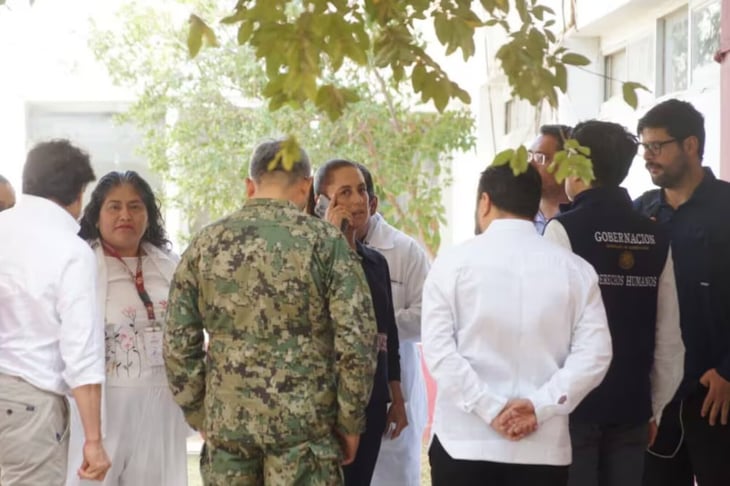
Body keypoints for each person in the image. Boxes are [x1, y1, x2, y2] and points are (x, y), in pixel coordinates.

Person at [164, 140, 379, 485]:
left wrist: (200, 411)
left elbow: (177, 340)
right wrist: (350, 420)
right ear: (307, 186)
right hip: (306, 431)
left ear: (250, 185)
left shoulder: (207, 243)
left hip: (229, 426)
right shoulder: (326, 242)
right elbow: (357, 339)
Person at [422, 164, 613, 486]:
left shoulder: (451, 264)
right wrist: (539, 406)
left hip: (464, 443)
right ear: (535, 204)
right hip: (542, 448)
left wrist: (491, 408)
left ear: (484, 202)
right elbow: (595, 355)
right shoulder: (575, 270)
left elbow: (439, 352)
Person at [542, 120, 685, 486]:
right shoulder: (656, 235)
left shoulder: (563, 230)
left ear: (578, 166)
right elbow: (670, 338)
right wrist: (653, 409)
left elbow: (548, 331)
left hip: (574, 409)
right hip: (633, 407)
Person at [64, 171, 190, 486]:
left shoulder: (170, 266)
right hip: (105, 408)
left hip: (163, 406)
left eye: (135, 206)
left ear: (148, 214)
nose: (125, 215)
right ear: (96, 215)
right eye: (114, 207)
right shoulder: (81, 265)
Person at [0, 139, 110, 485]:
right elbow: (81, 351)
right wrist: (93, 441)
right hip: (28, 402)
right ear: (79, 193)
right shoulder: (70, 250)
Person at [634, 99, 730, 486]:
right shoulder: (639, 215)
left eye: (657, 146)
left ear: (691, 145)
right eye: (644, 147)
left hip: (717, 394)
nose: (647, 157)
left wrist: (727, 371)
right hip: (659, 399)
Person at [312, 159, 406, 486]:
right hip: (325, 404)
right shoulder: (310, 261)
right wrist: (333, 241)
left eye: (362, 190)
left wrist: (396, 397)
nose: (357, 200)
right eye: (345, 192)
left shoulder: (376, 263)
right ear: (322, 203)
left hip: (372, 402)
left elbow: (388, 335)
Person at [355, 163, 430, 486]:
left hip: (393, 390)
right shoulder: (318, 250)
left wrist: (377, 327)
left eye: (357, 194)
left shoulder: (405, 251)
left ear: (372, 203)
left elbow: (428, 316)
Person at [529, 124, 572, 233]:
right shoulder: (517, 216)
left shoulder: (582, 218)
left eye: (540, 158)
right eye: (529, 156)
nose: (530, 165)